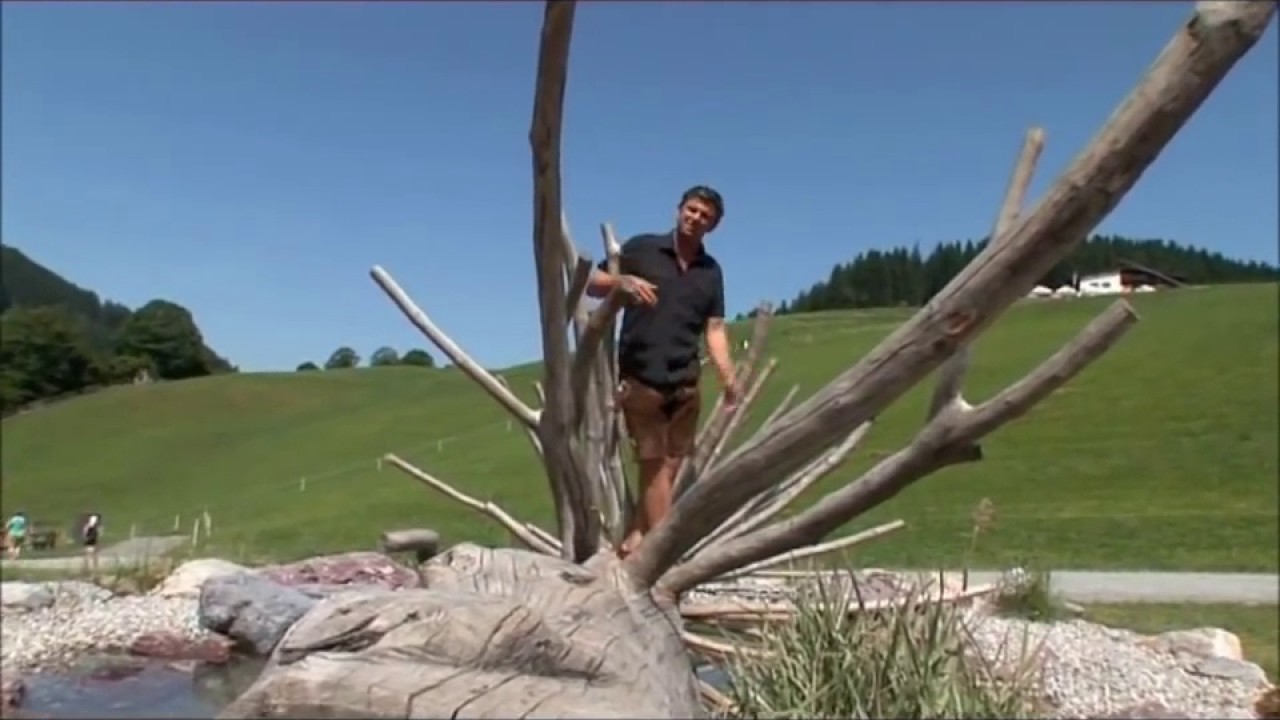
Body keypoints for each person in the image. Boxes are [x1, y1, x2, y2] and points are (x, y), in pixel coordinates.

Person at [586, 185, 738, 558]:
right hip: (641, 376)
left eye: (705, 216)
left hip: (684, 380)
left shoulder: (710, 272)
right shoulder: (643, 249)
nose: (696, 218)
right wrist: (621, 282)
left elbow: (715, 329)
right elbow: (592, 283)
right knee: (653, 465)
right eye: (692, 210)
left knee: (670, 465)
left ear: (713, 226)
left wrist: (729, 378)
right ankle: (665, 554)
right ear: (679, 210)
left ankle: (637, 538)